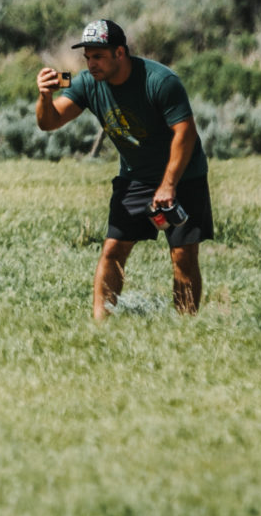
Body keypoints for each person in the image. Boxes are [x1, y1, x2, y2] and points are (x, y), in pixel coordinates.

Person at [36, 18, 211, 322]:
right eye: (87, 57)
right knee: (113, 249)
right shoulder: (87, 82)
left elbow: (186, 132)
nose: (91, 64)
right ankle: (101, 327)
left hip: (182, 174)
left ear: (120, 53)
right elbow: (49, 122)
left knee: (183, 255)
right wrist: (44, 95)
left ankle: (187, 326)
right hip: (136, 177)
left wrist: (169, 185)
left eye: (99, 56)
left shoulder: (160, 80)